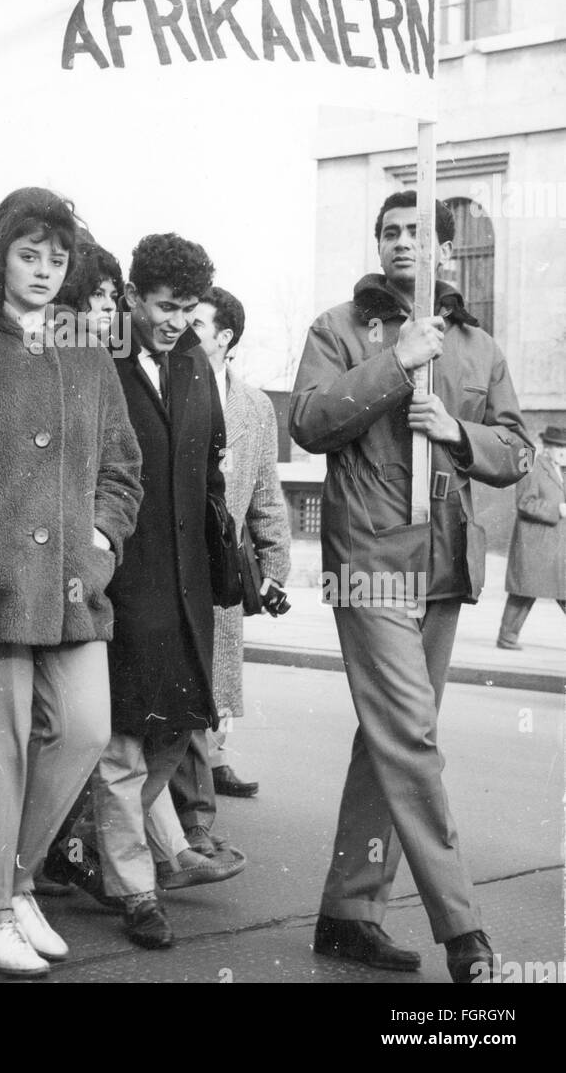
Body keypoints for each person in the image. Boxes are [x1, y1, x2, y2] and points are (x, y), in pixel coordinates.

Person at [290, 189, 532, 984]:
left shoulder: (479, 345)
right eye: (388, 231)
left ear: (441, 251)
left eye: (415, 234)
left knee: (390, 739)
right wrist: (397, 363)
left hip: (443, 564)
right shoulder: (338, 327)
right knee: (413, 740)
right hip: (369, 557)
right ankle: (463, 932)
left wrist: (458, 432)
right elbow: (312, 421)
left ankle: (349, 911)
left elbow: (518, 450)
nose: (401, 244)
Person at [0, 187, 142, 977]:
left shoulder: (92, 352)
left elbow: (123, 467)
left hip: (73, 582)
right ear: (0, 255)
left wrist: (101, 539)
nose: (44, 270)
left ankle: (18, 881)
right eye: (29, 254)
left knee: (88, 730)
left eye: (57, 259)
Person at [90, 233, 237, 950]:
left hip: (188, 581)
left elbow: (210, 471)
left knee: (178, 726)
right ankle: (136, 889)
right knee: (121, 738)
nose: (177, 320)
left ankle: (98, 845)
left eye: (188, 309)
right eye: (165, 306)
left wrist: (228, 558)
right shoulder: (97, 360)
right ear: (131, 297)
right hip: (123, 575)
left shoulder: (197, 366)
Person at [167, 286, 291, 839]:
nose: (183, 331)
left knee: (213, 682)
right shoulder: (165, 385)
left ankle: (205, 779)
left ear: (225, 339)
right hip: (170, 561)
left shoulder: (255, 407)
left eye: (197, 324)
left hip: (220, 564)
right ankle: (191, 819)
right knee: (182, 686)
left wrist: (274, 570)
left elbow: (266, 492)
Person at [496, 425, 566, 648]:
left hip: (554, 545)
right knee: (524, 592)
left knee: (559, 590)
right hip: (535, 544)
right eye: (559, 448)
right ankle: (507, 638)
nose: (563, 452)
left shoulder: (561, 471)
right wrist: (558, 509)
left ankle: (507, 638)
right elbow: (524, 503)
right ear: (547, 448)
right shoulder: (531, 465)